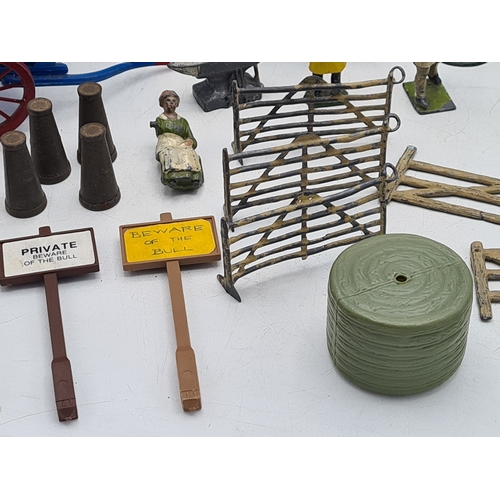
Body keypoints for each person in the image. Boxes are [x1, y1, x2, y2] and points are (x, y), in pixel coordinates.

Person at [152, 90, 203, 190]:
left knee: (189, 153)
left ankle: (194, 177)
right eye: (168, 100)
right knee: (169, 153)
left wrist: (190, 141)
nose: (171, 103)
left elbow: (190, 137)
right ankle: (171, 177)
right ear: (163, 103)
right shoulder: (160, 120)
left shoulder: (183, 121)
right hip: (166, 143)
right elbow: (159, 133)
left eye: (173, 101)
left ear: (177, 103)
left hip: (181, 144)